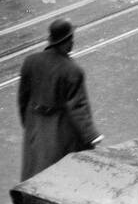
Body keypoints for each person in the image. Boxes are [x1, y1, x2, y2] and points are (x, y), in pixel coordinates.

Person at [17, 20, 103, 180]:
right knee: (63, 169)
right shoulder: (72, 70)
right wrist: (92, 135)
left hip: (35, 123)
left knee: (35, 166)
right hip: (60, 128)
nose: (73, 42)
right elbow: (77, 107)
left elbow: (23, 97)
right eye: (71, 39)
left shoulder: (31, 61)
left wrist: (28, 123)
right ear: (66, 42)